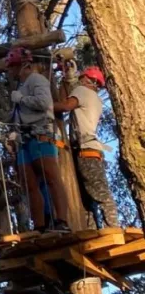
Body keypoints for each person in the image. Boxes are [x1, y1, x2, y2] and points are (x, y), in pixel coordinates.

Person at [5, 47, 70, 233]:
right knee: (29, 183)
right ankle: (40, 225)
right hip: (23, 138)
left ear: (24, 65)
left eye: (12, 67)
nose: (10, 71)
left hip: (41, 133)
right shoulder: (20, 87)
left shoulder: (36, 80)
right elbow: (16, 114)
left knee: (51, 177)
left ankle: (62, 221)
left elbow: (44, 103)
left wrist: (23, 98)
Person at [54, 65, 119, 228]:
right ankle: (95, 229)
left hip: (86, 150)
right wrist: (65, 79)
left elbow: (65, 106)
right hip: (88, 150)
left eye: (82, 78)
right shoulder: (94, 97)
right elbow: (66, 101)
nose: (80, 80)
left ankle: (112, 227)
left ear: (89, 80)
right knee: (87, 197)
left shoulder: (83, 91)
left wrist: (42, 106)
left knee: (99, 194)